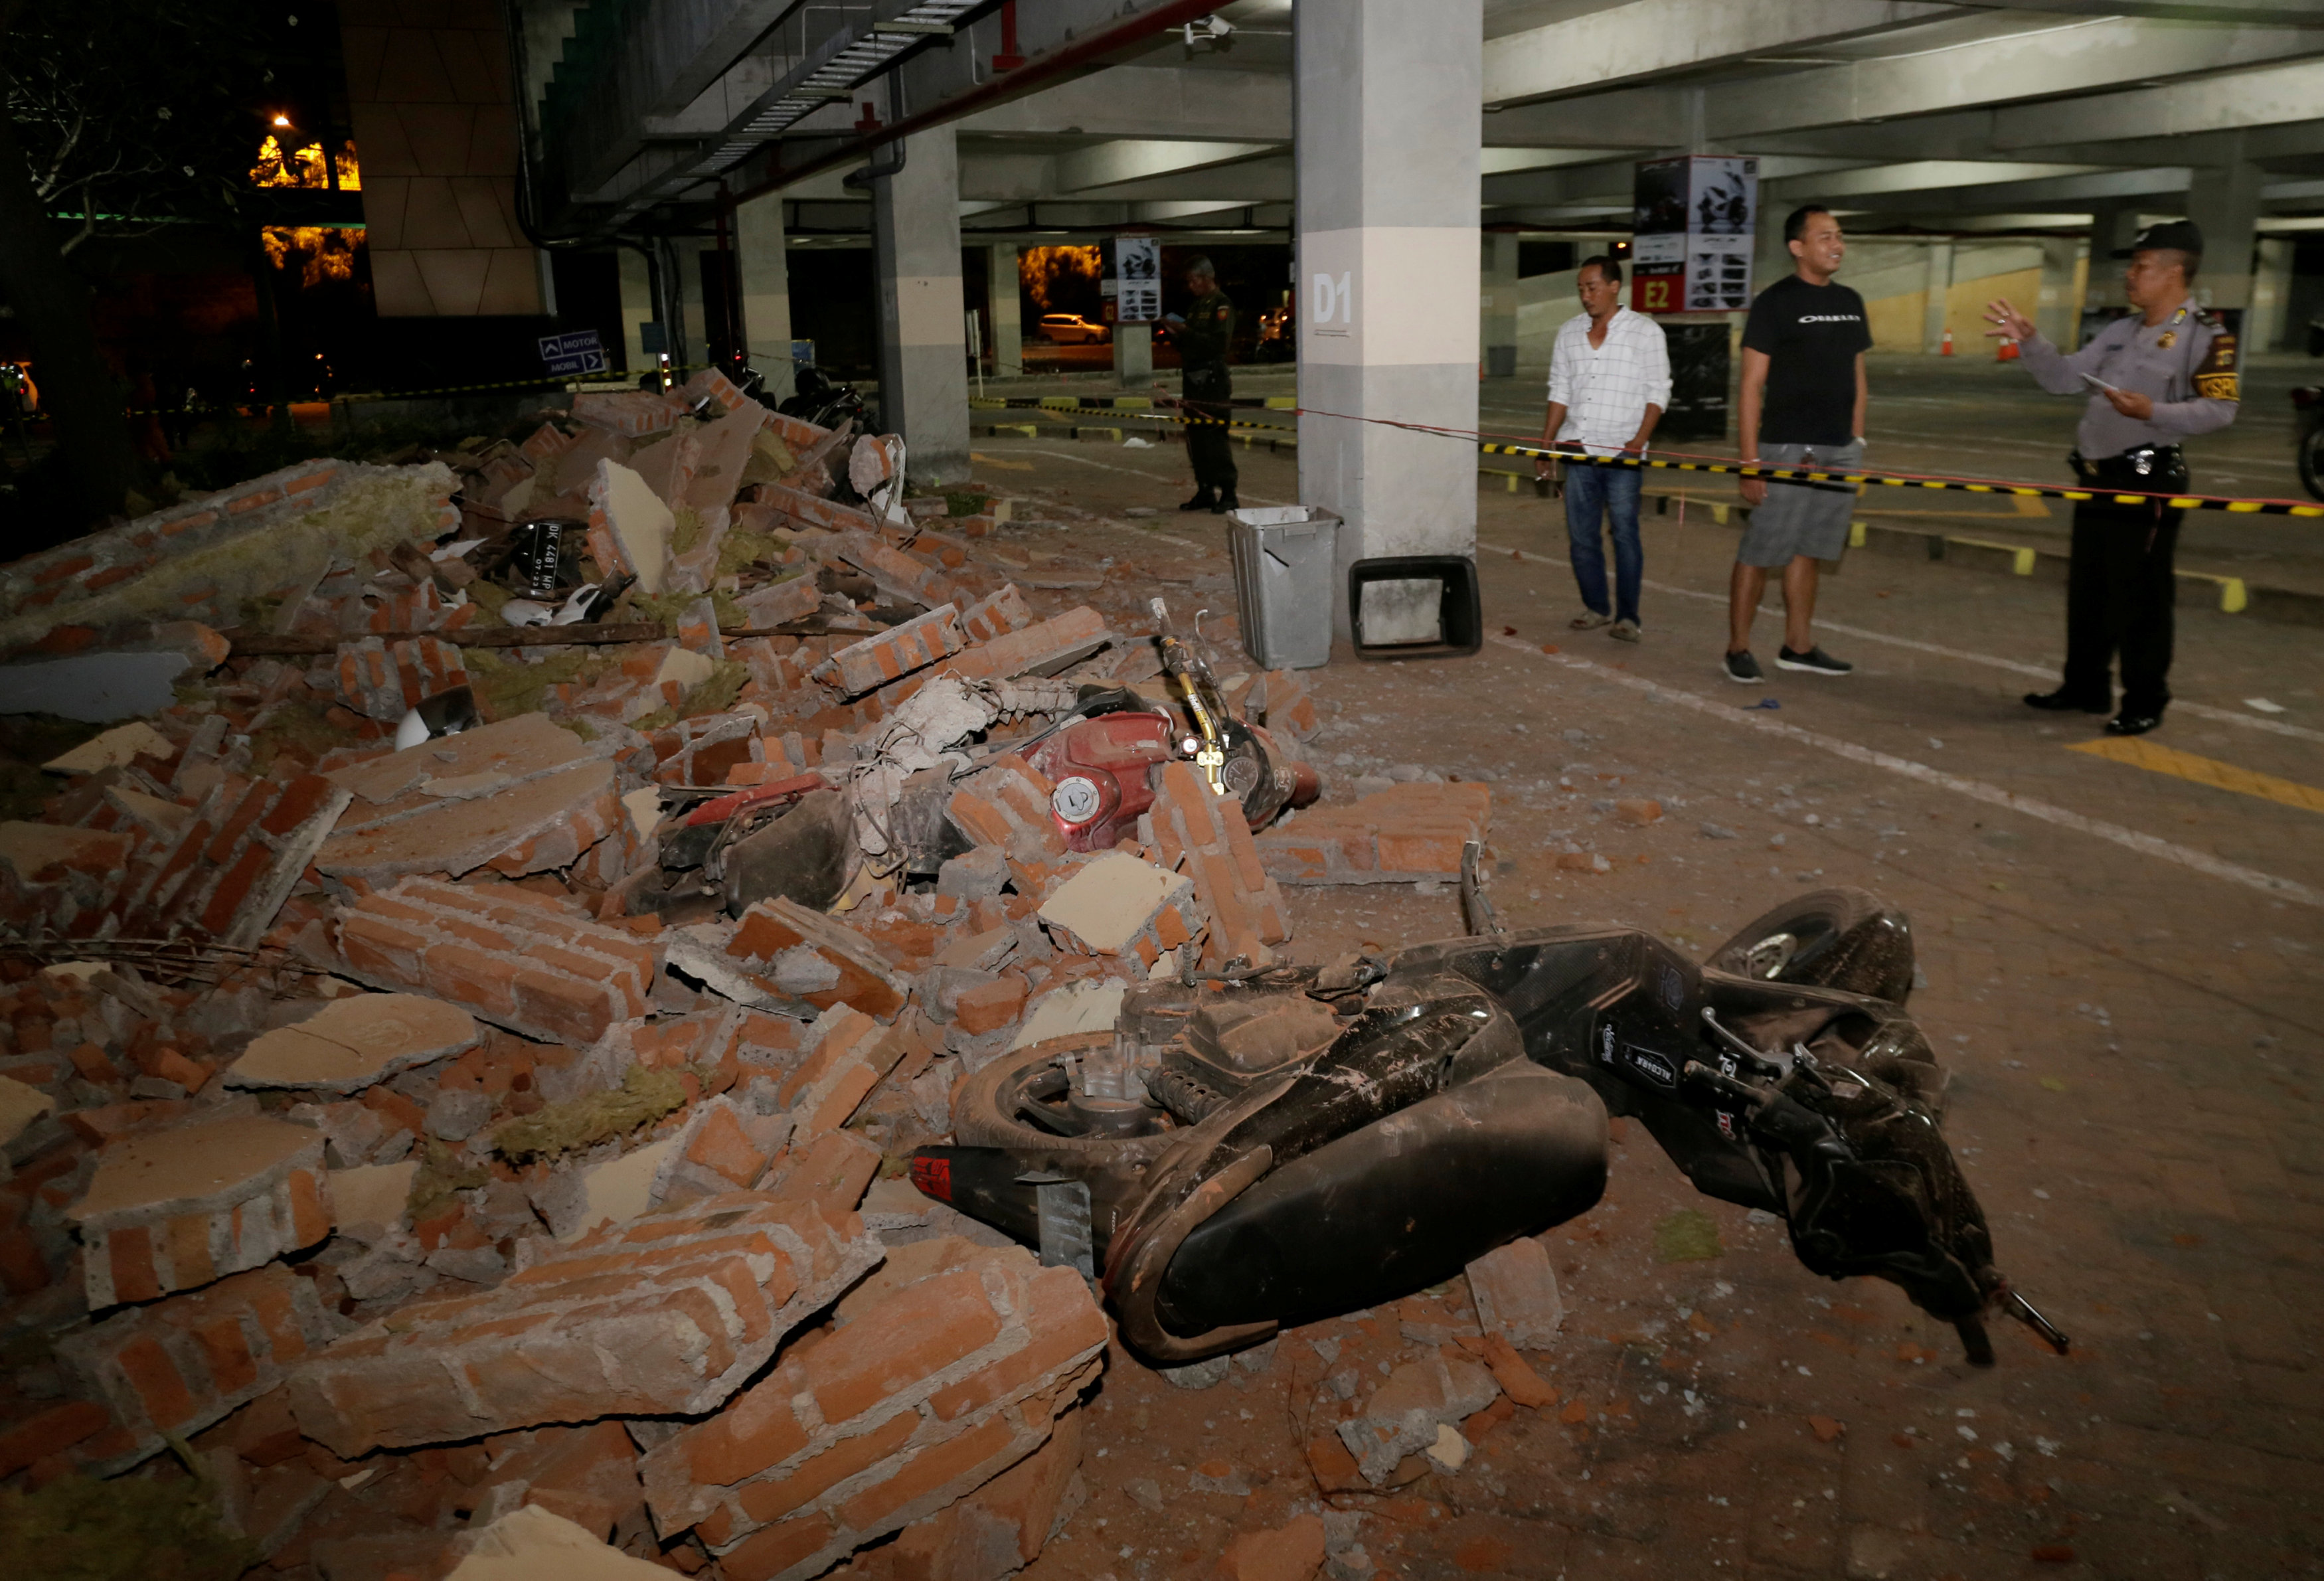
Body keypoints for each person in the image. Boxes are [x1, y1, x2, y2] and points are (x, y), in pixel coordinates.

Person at [1983, 220, 2238, 737]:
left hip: (2148, 479)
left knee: (2141, 596)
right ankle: (2085, 686)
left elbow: (2221, 410)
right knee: (2090, 590)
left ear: (2173, 271)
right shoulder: (2122, 331)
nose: (2130, 275)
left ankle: (2145, 699)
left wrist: (2154, 411)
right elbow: (2062, 379)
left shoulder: (2205, 334)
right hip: (2098, 479)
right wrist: (2031, 342)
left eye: (2141, 266)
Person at [1726, 205, 1869, 683]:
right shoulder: (1774, 303)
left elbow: (1857, 375)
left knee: (1810, 549)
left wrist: (1857, 438)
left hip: (1839, 448)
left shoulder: (1851, 300)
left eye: (1840, 236)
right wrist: (1750, 463)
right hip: (1787, 447)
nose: (1837, 245)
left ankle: (1799, 645)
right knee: (1762, 550)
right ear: (1798, 247)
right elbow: (1751, 385)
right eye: (1825, 236)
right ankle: (1739, 647)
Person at [1536, 254, 1669, 641]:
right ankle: (1596, 607)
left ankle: (1628, 618)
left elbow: (1658, 392)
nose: (1585, 296)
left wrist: (1639, 441)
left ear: (1614, 286)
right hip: (1578, 449)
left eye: (1592, 287)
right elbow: (1559, 389)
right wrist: (1547, 442)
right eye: (1580, 289)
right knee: (1582, 536)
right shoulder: (1569, 333)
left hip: (1623, 454)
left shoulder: (1645, 333)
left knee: (1625, 533)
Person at [1166, 256, 1238, 513]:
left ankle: (1229, 493)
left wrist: (1185, 331)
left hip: (1213, 380)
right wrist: (1175, 334)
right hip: (1193, 378)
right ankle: (1205, 490)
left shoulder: (1222, 305)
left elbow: (1218, 345)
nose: (1191, 285)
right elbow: (1190, 345)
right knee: (1195, 437)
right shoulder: (1196, 306)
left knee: (1214, 437)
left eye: (1194, 280)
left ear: (1207, 278)